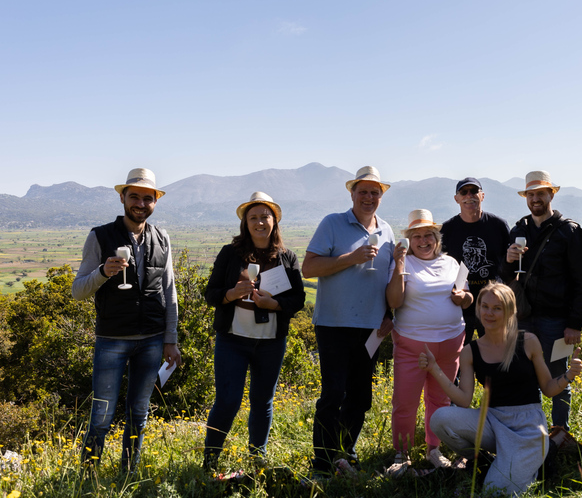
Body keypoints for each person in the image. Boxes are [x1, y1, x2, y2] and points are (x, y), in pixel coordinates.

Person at [420, 282, 582, 496]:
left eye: (497, 308)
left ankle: (540, 457)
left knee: (495, 491)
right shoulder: (470, 351)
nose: (490, 313)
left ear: (510, 311)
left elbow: (549, 389)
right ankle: (484, 462)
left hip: (528, 427)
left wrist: (569, 375)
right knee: (440, 418)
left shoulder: (528, 341)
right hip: (493, 422)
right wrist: (434, 369)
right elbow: (464, 400)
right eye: (485, 306)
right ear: (478, 308)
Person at [72, 168, 182, 473]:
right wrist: (102, 273)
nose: (140, 203)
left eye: (148, 198)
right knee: (101, 414)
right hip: (111, 340)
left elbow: (169, 292)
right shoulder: (100, 235)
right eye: (134, 196)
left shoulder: (162, 238)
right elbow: (78, 291)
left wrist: (170, 339)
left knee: (139, 412)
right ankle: (88, 475)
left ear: (155, 202)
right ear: (122, 198)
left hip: (151, 340)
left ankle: (128, 473)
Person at [302, 166, 396, 476]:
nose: (369, 197)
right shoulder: (332, 223)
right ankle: (322, 463)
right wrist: (351, 259)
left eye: (375, 192)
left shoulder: (387, 231)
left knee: (361, 397)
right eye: (363, 191)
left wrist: (388, 316)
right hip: (333, 325)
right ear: (352, 193)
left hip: (371, 328)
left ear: (380, 197)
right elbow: (309, 268)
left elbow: (388, 279)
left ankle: (344, 452)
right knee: (333, 395)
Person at [202, 192, 306, 471]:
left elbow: (298, 300)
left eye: (265, 217)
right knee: (227, 401)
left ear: (275, 221)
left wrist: (274, 304)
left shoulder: (287, 257)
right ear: (245, 224)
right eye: (253, 218)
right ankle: (210, 462)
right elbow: (210, 294)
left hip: (271, 342)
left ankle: (256, 460)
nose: (260, 222)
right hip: (232, 341)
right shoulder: (230, 253)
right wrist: (230, 294)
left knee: (263, 402)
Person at [501, 170, 582, 430]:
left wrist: (575, 323)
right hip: (523, 319)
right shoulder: (518, 230)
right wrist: (507, 262)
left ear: (551, 194)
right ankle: (533, 430)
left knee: (558, 376)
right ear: (526, 198)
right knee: (525, 376)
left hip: (558, 320)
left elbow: (581, 283)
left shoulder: (569, 231)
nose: (535, 199)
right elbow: (507, 279)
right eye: (531, 194)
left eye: (541, 193)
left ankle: (560, 432)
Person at [385, 209, 472, 475]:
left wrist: (462, 298)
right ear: (409, 240)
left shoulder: (451, 263)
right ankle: (402, 454)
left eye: (428, 235)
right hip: (412, 343)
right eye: (417, 236)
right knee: (405, 401)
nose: (423, 241)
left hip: (450, 342)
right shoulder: (404, 263)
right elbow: (394, 302)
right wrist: (399, 265)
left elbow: (467, 298)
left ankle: (434, 450)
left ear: (437, 238)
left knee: (440, 400)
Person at [441, 178, 510, 343]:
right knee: (458, 356)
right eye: (464, 192)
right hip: (459, 305)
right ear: (456, 198)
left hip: (493, 303)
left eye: (474, 191)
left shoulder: (498, 225)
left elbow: (511, 263)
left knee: (495, 354)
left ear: (482, 195)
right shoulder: (448, 229)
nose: (469, 195)